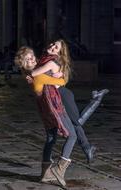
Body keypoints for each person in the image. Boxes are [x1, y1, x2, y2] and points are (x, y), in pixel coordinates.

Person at [24, 39, 109, 183]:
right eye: (52, 44)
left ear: (59, 52)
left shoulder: (52, 61)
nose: (52, 46)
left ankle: (96, 100)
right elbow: (38, 75)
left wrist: (37, 77)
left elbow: (35, 73)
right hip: (55, 98)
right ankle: (87, 147)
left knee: (77, 122)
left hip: (63, 96)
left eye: (56, 47)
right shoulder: (47, 59)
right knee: (72, 126)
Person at [15, 46, 78, 187]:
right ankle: (59, 169)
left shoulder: (33, 73)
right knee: (72, 136)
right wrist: (59, 76)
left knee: (51, 138)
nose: (31, 60)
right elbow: (61, 82)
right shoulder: (36, 74)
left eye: (32, 56)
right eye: (27, 60)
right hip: (54, 107)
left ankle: (45, 174)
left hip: (45, 109)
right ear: (23, 64)